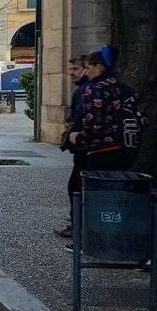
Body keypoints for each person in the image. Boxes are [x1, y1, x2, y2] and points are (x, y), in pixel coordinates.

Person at [69, 45, 142, 173]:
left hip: (102, 151)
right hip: (128, 150)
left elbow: (93, 124)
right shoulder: (125, 89)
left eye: (88, 67)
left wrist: (77, 138)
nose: (86, 72)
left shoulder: (94, 89)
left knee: (91, 189)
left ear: (99, 67)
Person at [55, 55, 89, 239]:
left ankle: (78, 227)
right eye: (70, 70)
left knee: (76, 187)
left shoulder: (85, 90)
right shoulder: (83, 89)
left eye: (75, 69)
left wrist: (74, 130)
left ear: (86, 68)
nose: (71, 73)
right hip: (85, 150)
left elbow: (81, 117)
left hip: (86, 150)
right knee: (76, 187)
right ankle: (79, 224)